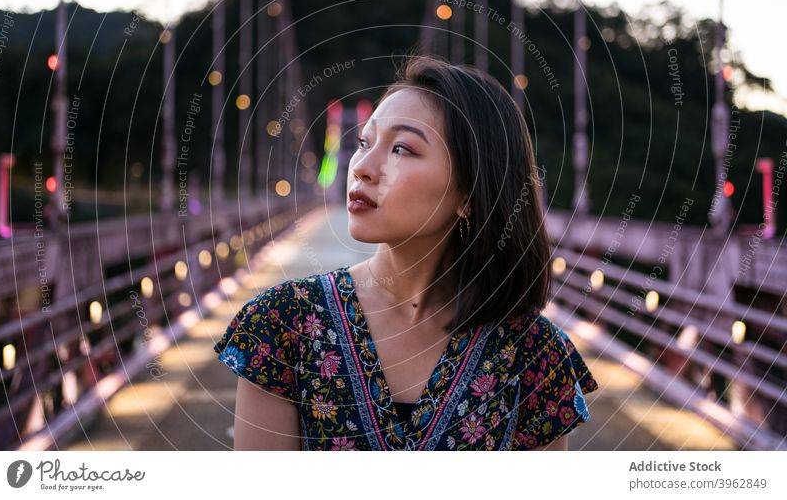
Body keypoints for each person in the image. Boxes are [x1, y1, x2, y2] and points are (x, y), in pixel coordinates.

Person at [214, 55, 598, 450]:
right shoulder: (282, 325)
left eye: (400, 148)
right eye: (364, 142)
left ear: (469, 194)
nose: (362, 166)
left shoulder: (534, 355)